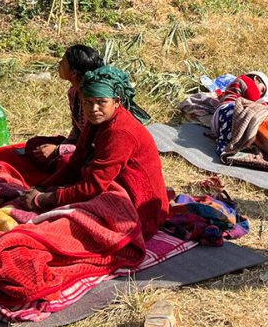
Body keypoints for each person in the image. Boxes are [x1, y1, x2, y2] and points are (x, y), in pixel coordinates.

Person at [18, 65, 169, 241]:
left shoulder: (120, 132)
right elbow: (76, 163)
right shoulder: (96, 122)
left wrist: (44, 199)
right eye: (88, 102)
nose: (94, 108)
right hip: (114, 184)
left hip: (141, 209)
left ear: (117, 101)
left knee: (74, 230)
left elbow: (94, 186)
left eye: (101, 102)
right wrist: (42, 187)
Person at [24, 44, 104, 169]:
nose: (59, 63)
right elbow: (77, 130)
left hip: (94, 152)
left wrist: (58, 150)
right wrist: (62, 146)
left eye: (64, 61)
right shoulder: (73, 92)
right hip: (79, 145)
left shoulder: (96, 100)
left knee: (64, 161)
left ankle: (64, 169)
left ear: (74, 73)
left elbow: (95, 145)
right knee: (34, 145)